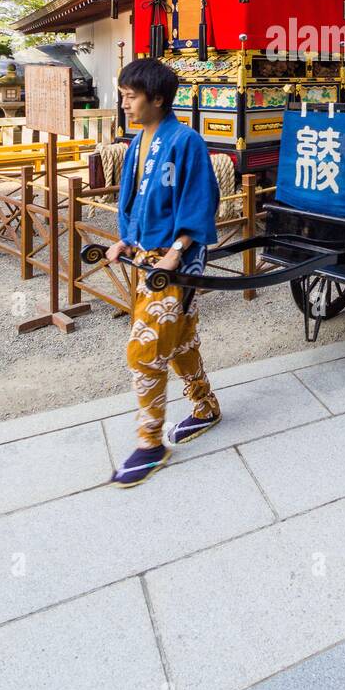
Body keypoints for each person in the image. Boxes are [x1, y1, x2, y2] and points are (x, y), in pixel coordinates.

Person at [105, 58, 221, 487]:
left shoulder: (185, 141)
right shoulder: (139, 141)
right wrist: (125, 240)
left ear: (157, 98)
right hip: (144, 259)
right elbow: (133, 200)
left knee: (145, 350)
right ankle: (205, 407)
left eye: (130, 97)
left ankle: (150, 442)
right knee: (182, 339)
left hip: (175, 262)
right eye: (123, 97)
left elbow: (200, 199)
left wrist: (177, 249)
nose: (126, 105)